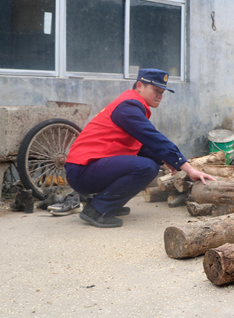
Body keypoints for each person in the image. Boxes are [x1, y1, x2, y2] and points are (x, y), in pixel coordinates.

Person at [65, 68, 215, 228]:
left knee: (151, 162)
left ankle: (108, 204)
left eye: (162, 92)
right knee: (146, 167)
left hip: (87, 167)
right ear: (139, 86)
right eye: (156, 90)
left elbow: (141, 146)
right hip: (82, 171)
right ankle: (97, 210)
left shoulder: (130, 105)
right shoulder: (128, 107)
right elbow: (156, 139)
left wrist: (165, 160)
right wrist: (188, 169)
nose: (160, 96)